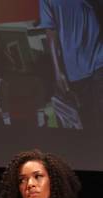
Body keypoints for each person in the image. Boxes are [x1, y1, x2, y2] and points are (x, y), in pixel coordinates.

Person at [39, 0, 103, 130]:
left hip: (99, 57)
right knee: (88, 119)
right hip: (74, 69)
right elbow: (51, 31)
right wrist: (57, 72)